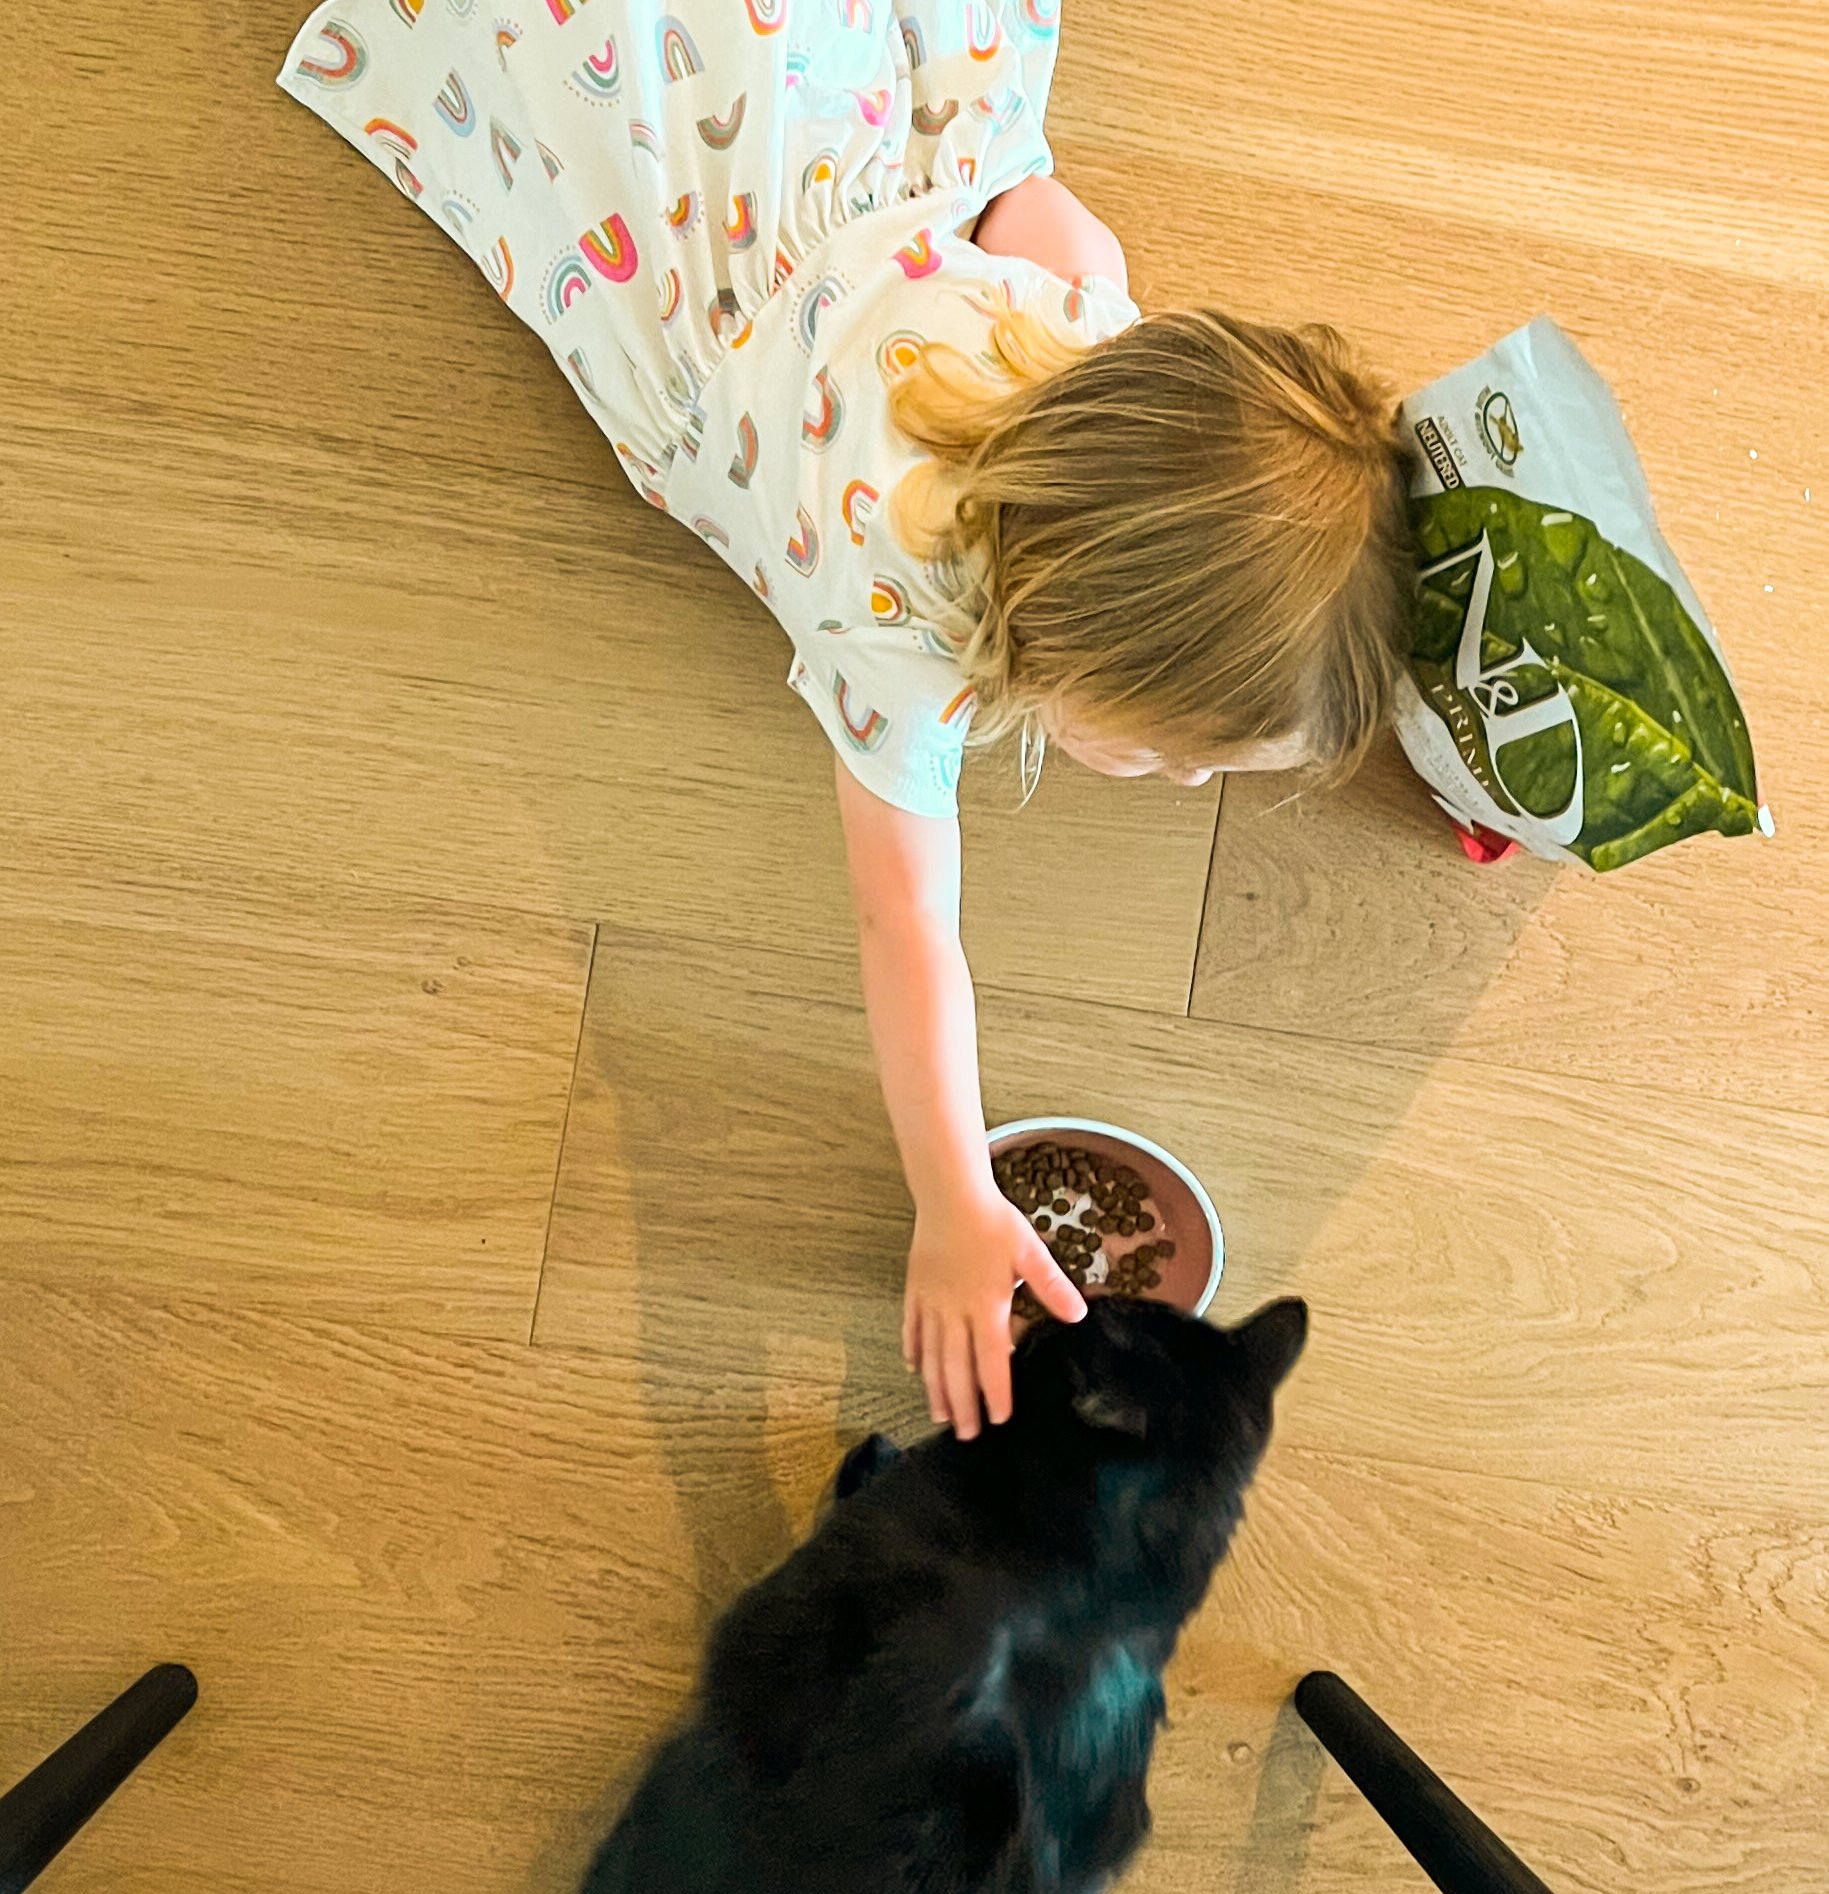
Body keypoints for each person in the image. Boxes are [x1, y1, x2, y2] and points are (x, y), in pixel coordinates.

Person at [280, 0, 1412, 1440]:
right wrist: (952, 1194)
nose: (1181, 780)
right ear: (1053, 630)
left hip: (832, 154)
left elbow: (1055, 224)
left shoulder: (1077, 342)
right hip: (684, 245)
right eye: (1175, 742)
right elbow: (903, 927)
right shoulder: (898, 615)